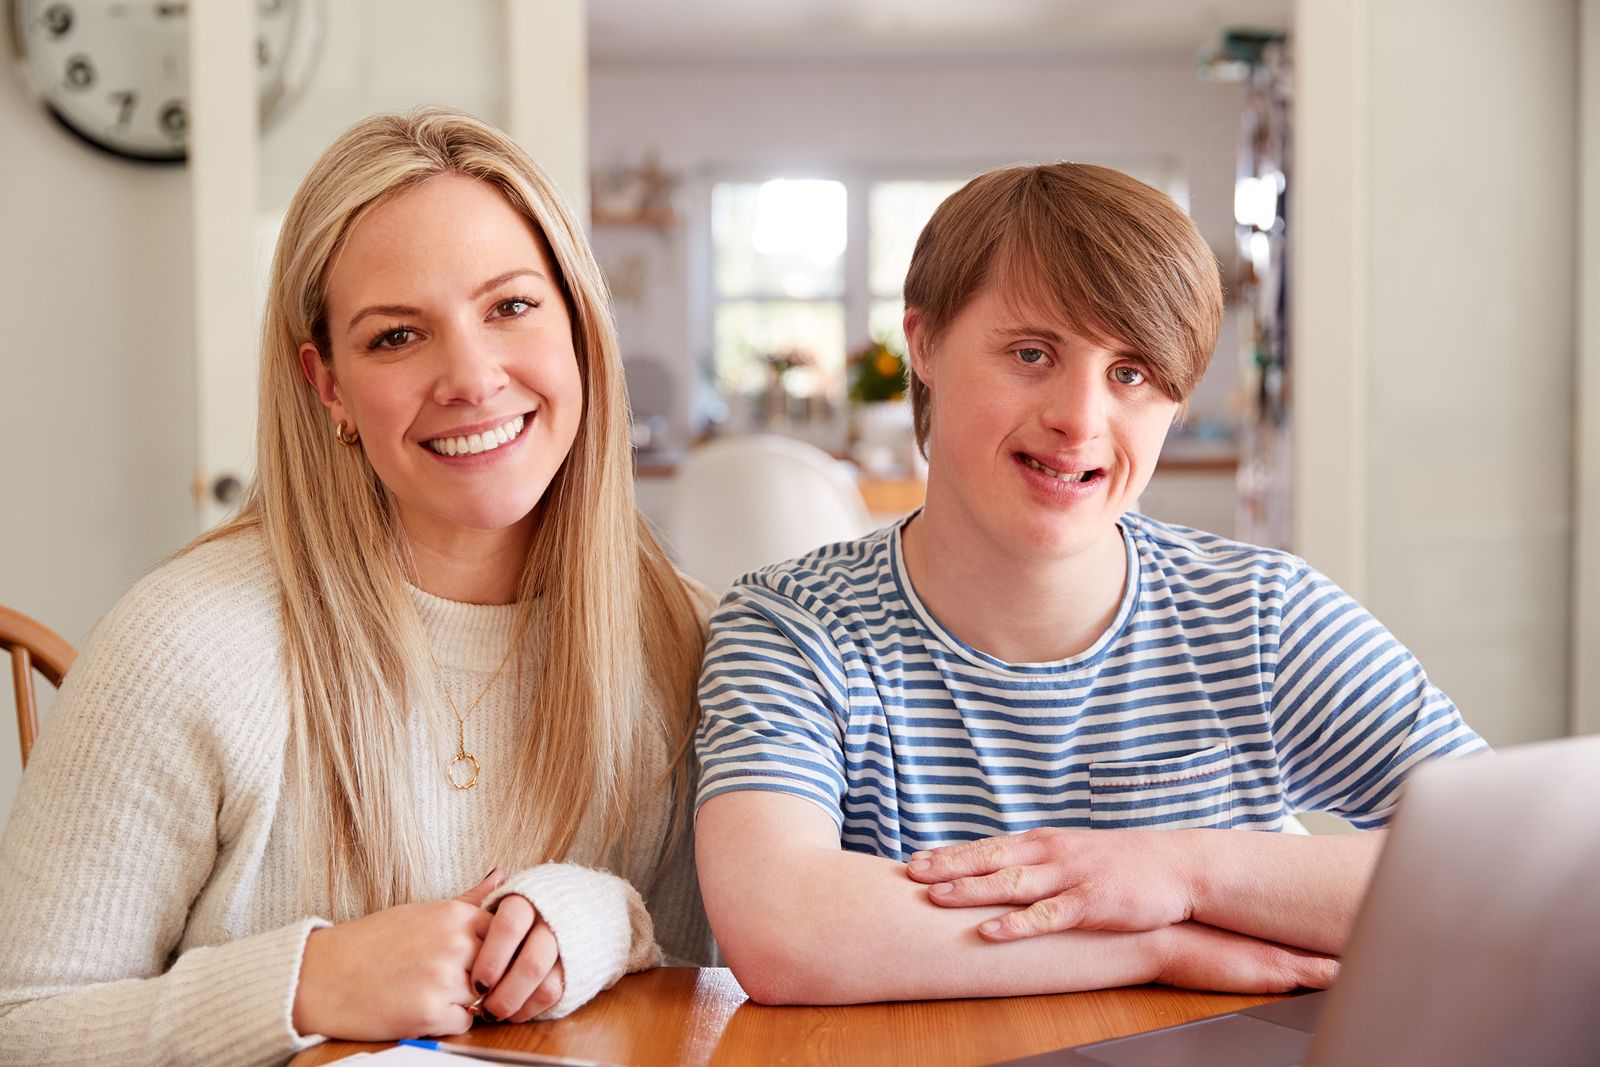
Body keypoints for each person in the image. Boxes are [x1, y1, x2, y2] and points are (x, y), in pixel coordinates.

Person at [0, 107, 712, 1064]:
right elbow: (22, 1027)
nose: (470, 376)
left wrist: (602, 924)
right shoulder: (185, 646)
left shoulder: (694, 644)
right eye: (395, 337)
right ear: (327, 386)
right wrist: (305, 983)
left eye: (510, 306)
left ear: (581, 328)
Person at [694, 162, 1488, 1005]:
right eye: (1032, 353)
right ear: (923, 345)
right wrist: (1157, 943)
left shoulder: (1262, 616)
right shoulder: (790, 627)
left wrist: (1179, 869)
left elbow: (1504, 869)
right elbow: (784, 929)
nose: (1080, 417)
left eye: (1132, 373)